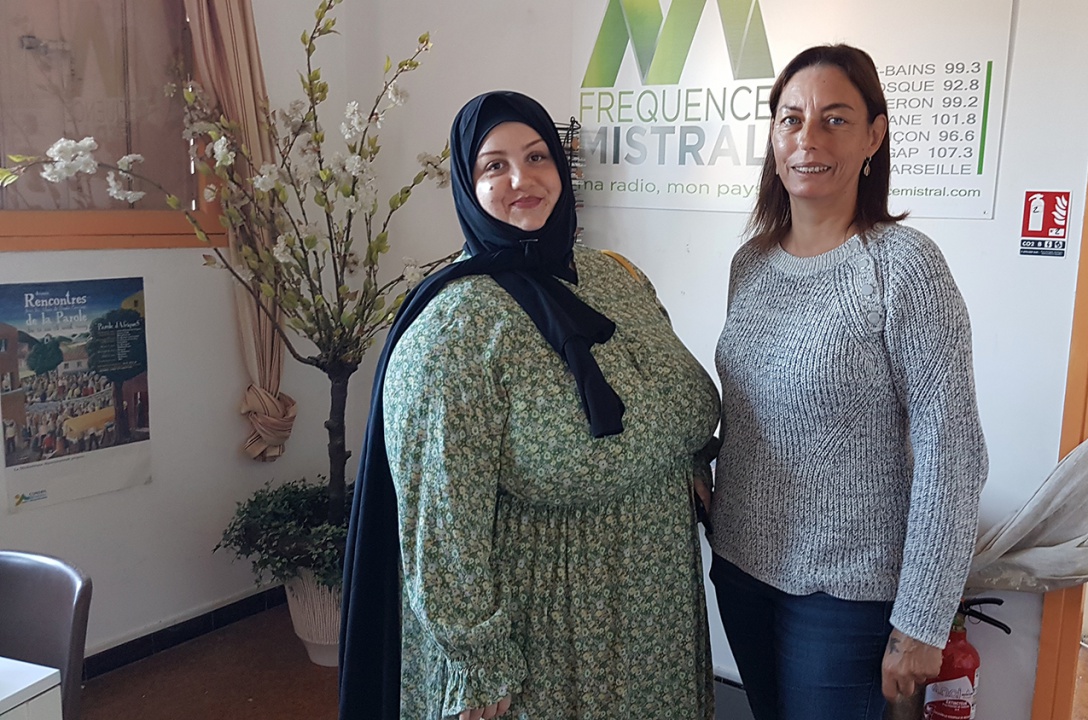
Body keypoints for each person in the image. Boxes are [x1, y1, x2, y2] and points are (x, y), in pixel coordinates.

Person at [338, 91, 720, 720]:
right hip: (557, 646)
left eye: (538, 157)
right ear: (468, 185)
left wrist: (689, 460)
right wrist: (479, 662)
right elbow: (440, 524)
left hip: (657, 620)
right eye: (495, 165)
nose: (523, 179)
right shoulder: (454, 333)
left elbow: (667, 397)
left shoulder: (613, 277)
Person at [709, 44, 988, 719]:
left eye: (835, 119)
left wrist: (923, 618)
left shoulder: (904, 266)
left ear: (874, 136)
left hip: (845, 595)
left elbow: (953, 452)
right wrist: (697, 456)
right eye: (791, 119)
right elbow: (753, 408)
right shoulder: (751, 263)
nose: (808, 138)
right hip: (742, 568)